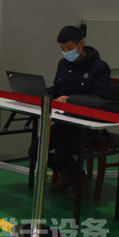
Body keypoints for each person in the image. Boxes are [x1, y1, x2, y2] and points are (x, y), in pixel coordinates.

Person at [37, 25, 111, 199]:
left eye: (68, 48)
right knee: (36, 149)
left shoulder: (99, 67)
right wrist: (39, 92)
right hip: (64, 121)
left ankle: (80, 180)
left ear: (80, 45)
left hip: (86, 127)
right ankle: (68, 174)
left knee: (62, 154)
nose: (65, 52)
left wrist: (71, 100)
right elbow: (57, 89)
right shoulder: (63, 64)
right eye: (62, 48)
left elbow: (100, 98)